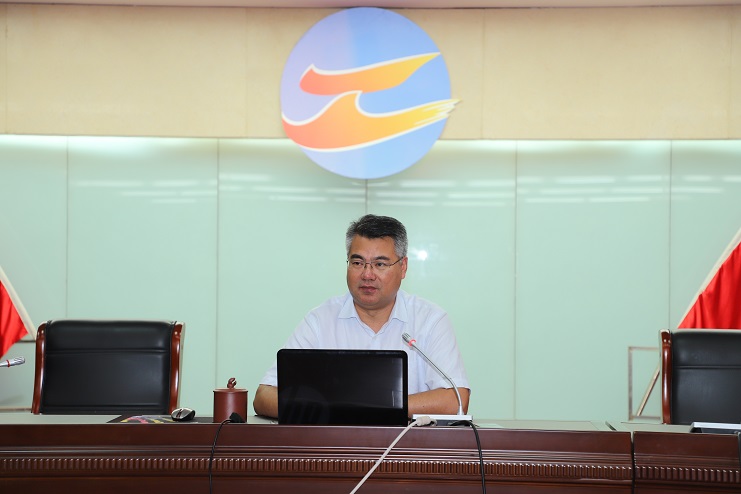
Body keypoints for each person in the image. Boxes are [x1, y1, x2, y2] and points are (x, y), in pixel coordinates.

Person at [253, 214, 470, 419]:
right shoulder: (320, 320)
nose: (367, 274)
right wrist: (349, 407)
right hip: (335, 445)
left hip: (408, 445)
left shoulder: (430, 320)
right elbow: (264, 396)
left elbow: (455, 401)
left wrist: (361, 405)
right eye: (357, 263)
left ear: (403, 267)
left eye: (380, 264)